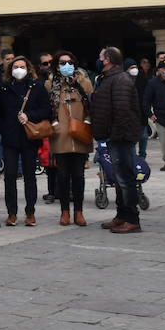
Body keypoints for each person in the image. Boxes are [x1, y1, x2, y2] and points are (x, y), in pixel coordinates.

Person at [94, 47, 143, 234]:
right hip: (114, 135)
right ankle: (121, 215)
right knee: (118, 177)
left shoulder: (120, 79)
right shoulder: (109, 78)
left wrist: (115, 134)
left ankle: (132, 219)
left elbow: (122, 111)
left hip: (121, 136)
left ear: (107, 59)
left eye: (100, 57)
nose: (98, 60)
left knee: (125, 178)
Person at [0, 56, 50, 227]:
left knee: (29, 176)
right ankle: (11, 212)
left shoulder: (37, 87)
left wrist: (30, 116)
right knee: (10, 176)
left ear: (28, 68)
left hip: (29, 136)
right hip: (10, 137)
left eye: (22, 66)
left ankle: (30, 212)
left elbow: (46, 110)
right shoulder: (4, 87)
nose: (19, 69)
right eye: (15, 66)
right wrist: (4, 129)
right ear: (10, 69)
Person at [48, 52, 94, 226]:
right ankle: (64, 212)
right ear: (57, 65)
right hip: (60, 133)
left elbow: (92, 104)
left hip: (81, 132)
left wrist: (88, 121)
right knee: (62, 174)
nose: (66, 65)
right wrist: (53, 123)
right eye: (62, 62)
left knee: (78, 175)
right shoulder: (51, 83)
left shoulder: (84, 81)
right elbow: (46, 106)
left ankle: (79, 212)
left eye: (69, 62)